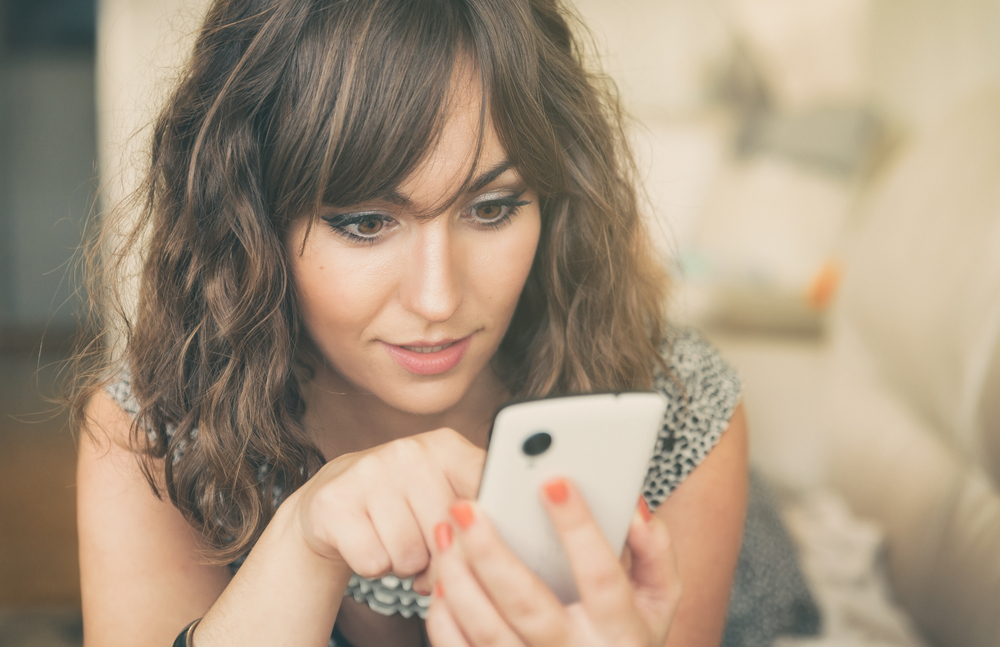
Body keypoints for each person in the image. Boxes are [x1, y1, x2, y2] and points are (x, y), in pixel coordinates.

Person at [71, 0, 748, 645]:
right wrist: (304, 543)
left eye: (491, 208)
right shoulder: (152, 433)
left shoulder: (676, 409)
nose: (437, 298)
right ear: (250, 223)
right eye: (366, 223)